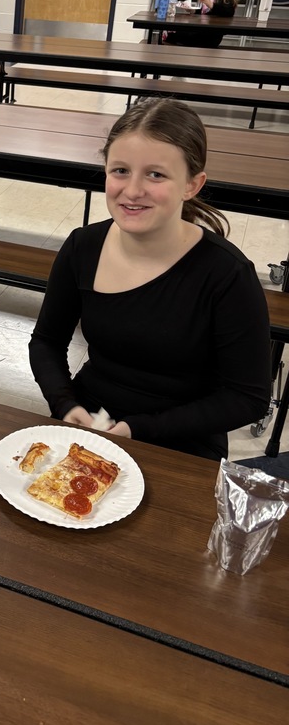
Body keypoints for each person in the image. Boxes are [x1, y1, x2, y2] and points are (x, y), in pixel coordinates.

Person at [28, 98, 271, 460]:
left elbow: (248, 397)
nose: (132, 190)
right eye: (120, 170)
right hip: (90, 420)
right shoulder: (83, 247)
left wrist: (139, 429)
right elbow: (46, 342)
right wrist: (65, 403)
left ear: (192, 184)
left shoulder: (226, 274)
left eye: (155, 175)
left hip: (183, 440)